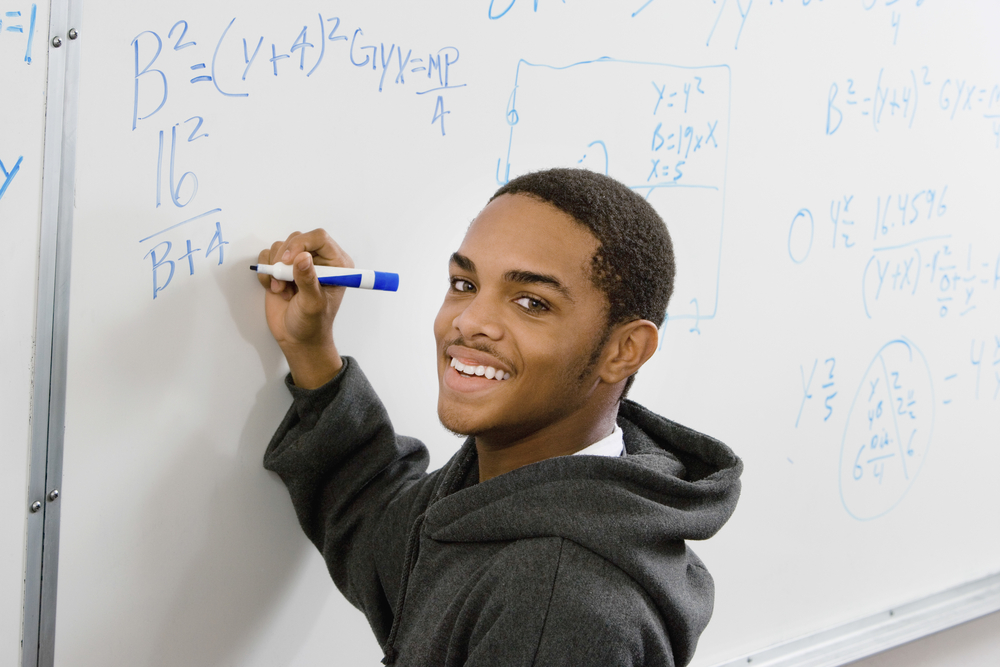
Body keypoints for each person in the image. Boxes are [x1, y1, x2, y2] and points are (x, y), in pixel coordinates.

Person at [258, 168, 742, 667]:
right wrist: (311, 351)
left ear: (624, 350)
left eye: (532, 302)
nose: (468, 322)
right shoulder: (514, 495)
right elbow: (380, 531)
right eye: (464, 283)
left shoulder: (553, 607)